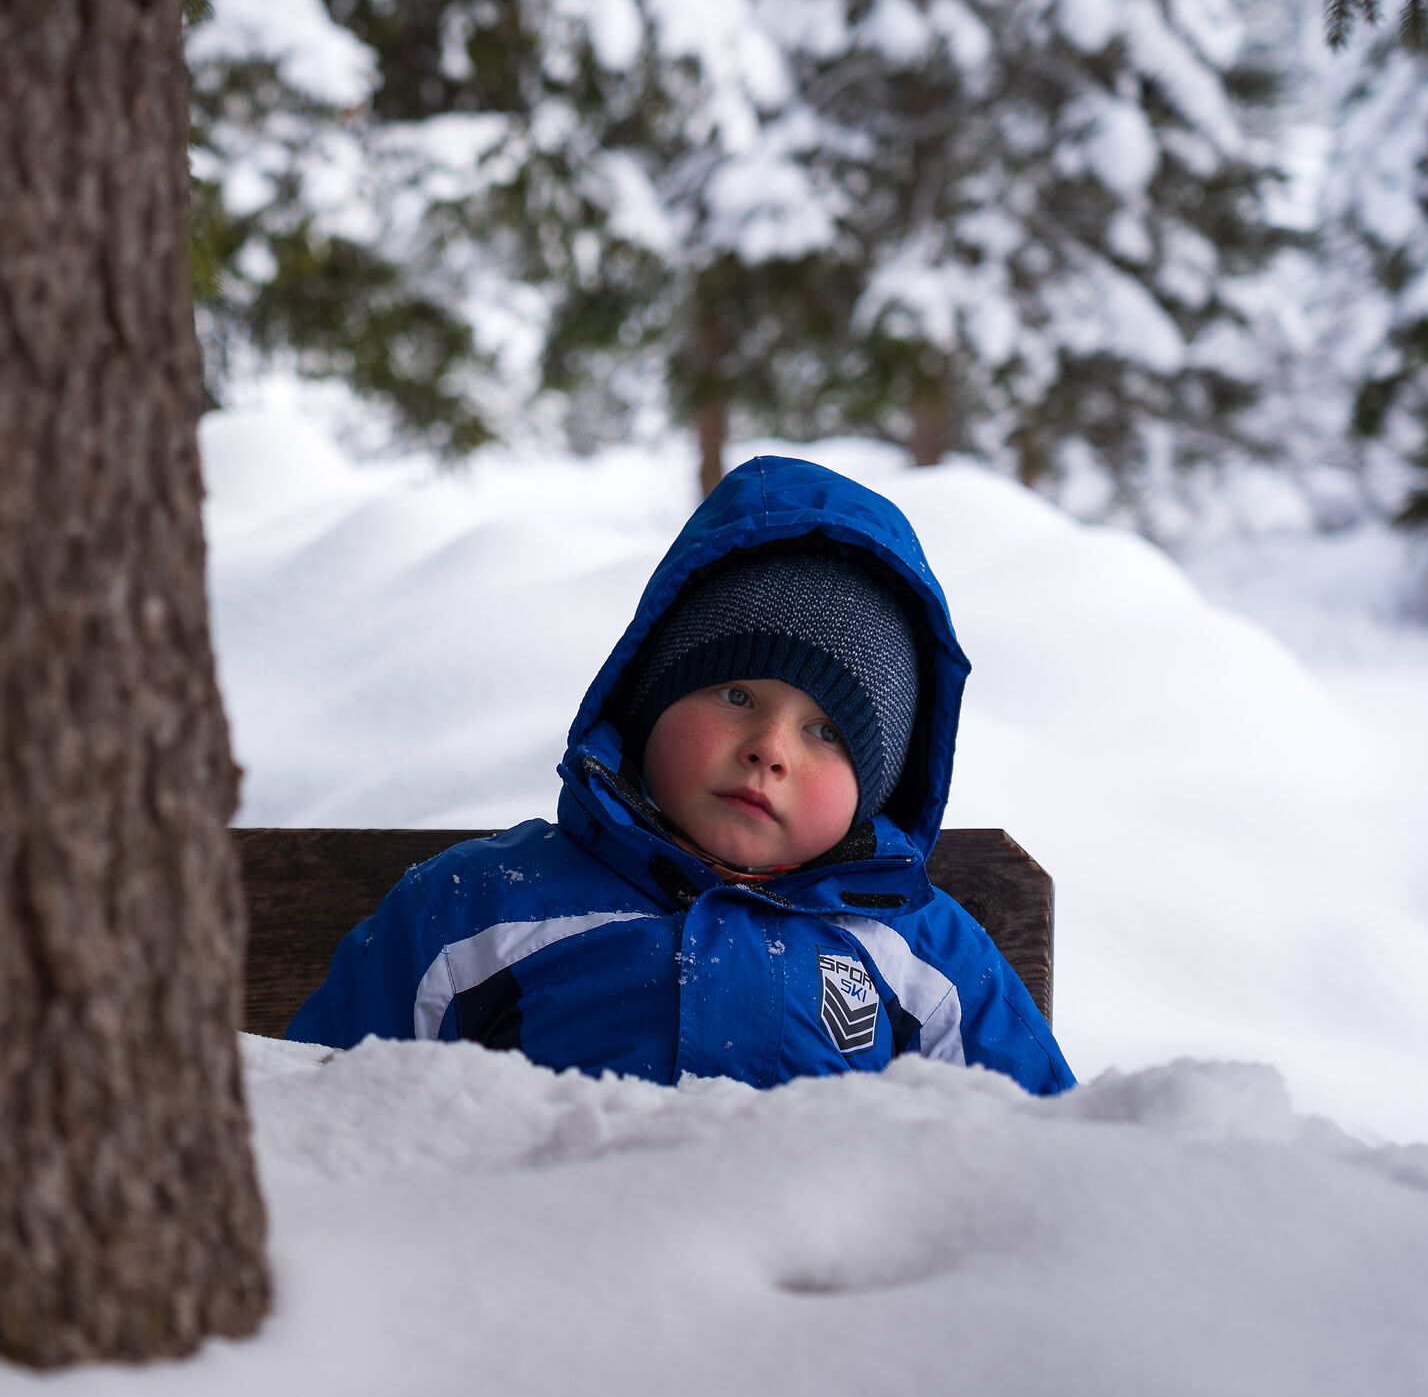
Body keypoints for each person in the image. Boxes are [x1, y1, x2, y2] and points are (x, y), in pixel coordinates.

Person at [284, 455, 1074, 1095]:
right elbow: (321, 1120)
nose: (770, 748)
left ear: (877, 787)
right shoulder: (477, 913)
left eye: (827, 732)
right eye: (736, 694)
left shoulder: (927, 963)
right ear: (648, 703)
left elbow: (1036, 1176)